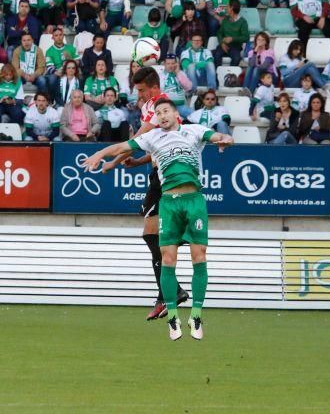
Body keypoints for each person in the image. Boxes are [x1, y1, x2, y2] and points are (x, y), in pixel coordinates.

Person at [84, 96, 233, 340]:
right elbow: (122, 147)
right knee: (168, 258)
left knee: (199, 255)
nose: (162, 116)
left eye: (165, 111)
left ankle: (196, 315)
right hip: (169, 203)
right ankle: (173, 317)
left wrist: (226, 139)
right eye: (158, 113)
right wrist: (101, 153)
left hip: (194, 200)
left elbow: (220, 137)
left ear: (176, 115)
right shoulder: (152, 137)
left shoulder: (193, 131)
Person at [94, 66, 190, 321]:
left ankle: (169, 292)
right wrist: (137, 163)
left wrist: (112, 161)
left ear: (154, 88)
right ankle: (170, 291)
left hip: (167, 178)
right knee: (151, 235)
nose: (140, 96)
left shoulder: (158, 106)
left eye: (142, 91)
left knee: (153, 234)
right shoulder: (162, 108)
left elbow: (137, 138)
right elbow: (156, 145)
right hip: (163, 175)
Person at [45, 27, 79, 99]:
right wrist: (62, 72)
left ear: (63, 36)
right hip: (58, 73)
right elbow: (50, 68)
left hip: (71, 71)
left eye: (60, 35)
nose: (59, 37)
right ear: (52, 37)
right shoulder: (49, 51)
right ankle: (51, 100)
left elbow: (78, 62)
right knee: (52, 79)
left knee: (81, 77)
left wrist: (70, 59)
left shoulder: (71, 48)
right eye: (56, 35)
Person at [214, 0, 250, 67]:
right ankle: (218, 76)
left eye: (227, 6)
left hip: (235, 47)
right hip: (223, 45)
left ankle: (230, 75)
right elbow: (219, 33)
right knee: (216, 55)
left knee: (236, 58)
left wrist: (232, 39)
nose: (226, 8)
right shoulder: (225, 20)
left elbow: (246, 37)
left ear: (231, 8)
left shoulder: (242, 22)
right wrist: (222, 43)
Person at [159, 54, 193, 118]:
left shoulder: (181, 73)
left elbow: (189, 87)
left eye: (173, 63)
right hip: (166, 107)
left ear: (176, 64)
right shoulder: (160, 75)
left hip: (180, 106)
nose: (170, 66)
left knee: (196, 116)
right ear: (164, 64)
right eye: (168, 63)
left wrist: (178, 73)